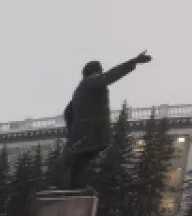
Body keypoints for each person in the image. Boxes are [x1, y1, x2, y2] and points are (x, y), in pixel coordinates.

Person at [63, 50, 151, 188]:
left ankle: (74, 185)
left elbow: (68, 111)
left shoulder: (80, 89)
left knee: (81, 158)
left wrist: (72, 131)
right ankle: (58, 183)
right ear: (94, 72)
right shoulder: (91, 82)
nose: (101, 74)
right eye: (100, 71)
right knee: (76, 157)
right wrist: (133, 62)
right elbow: (111, 76)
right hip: (89, 132)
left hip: (83, 132)